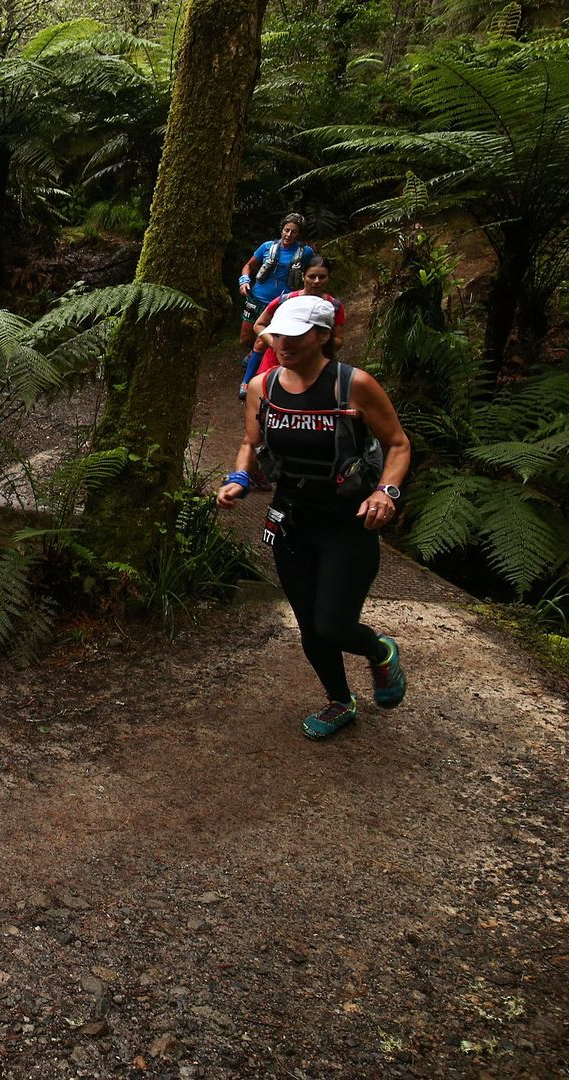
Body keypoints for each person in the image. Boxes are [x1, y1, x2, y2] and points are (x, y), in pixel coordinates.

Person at [217, 295, 411, 739]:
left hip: (347, 521)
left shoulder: (353, 385)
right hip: (291, 521)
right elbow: (251, 442)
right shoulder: (262, 387)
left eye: (297, 336)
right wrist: (240, 479)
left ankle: (379, 650)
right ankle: (340, 701)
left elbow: (398, 444)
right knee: (309, 625)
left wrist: (386, 492)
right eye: (281, 334)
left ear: (322, 336)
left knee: (334, 625)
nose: (284, 343)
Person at [238, 254, 345, 400]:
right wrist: (276, 344)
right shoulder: (285, 300)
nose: (316, 281)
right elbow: (259, 325)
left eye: (322, 277)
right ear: (303, 276)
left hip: (312, 367)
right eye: (312, 276)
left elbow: (338, 339)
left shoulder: (335, 306)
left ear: (328, 278)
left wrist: (314, 344)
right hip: (275, 363)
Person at [237, 213, 314, 348]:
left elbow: (312, 272)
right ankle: (252, 356)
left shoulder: (305, 252)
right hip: (256, 299)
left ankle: (259, 362)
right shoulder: (267, 246)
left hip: (283, 303)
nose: (289, 235)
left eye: (294, 232)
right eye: (286, 230)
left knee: (268, 340)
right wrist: (244, 281)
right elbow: (248, 266)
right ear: (281, 230)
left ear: (299, 234)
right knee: (245, 339)